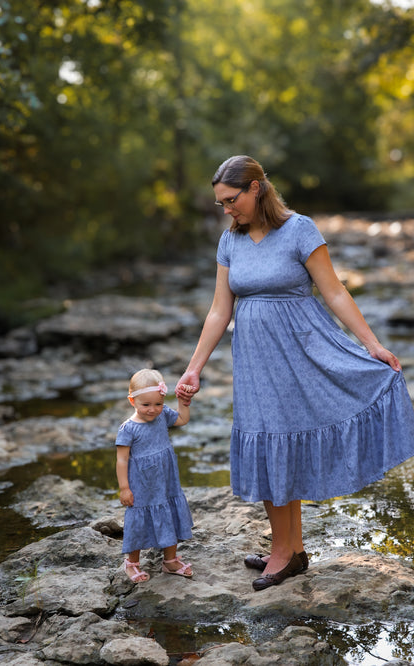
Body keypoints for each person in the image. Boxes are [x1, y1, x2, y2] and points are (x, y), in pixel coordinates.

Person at [175, 154, 414, 592]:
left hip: (304, 351)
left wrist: (372, 344)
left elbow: (335, 292)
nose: (226, 209)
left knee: (284, 437)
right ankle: (292, 549)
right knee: (267, 441)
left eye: (231, 199)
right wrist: (194, 369)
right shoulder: (230, 241)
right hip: (255, 360)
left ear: (255, 188)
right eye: (220, 203)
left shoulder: (300, 229)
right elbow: (218, 310)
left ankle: (285, 553)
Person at [116, 368, 194, 583]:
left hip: (165, 481)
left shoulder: (162, 416)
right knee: (139, 520)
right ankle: (132, 562)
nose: (153, 410)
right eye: (146, 405)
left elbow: (182, 420)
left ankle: (170, 560)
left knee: (169, 512)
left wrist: (183, 403)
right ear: (132, 401)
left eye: (158, 404)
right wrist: (124, 487)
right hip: (142, 484)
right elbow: (122, 460)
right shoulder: (128, 429)